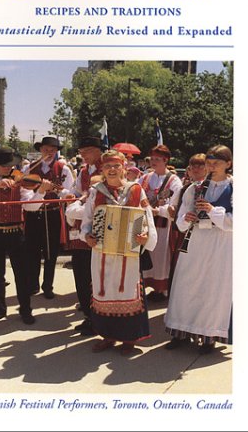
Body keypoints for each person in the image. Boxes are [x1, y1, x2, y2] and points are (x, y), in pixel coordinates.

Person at [80, 150, 157, 355]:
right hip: (102, 252)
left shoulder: (136, 190)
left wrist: (144, 236)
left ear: (124, 167)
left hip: (128, 253)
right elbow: (87, 221)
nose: (112, 170)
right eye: (107, 167)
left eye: (116, 166)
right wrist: (87, 236)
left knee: (127, 291)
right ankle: (108, 336)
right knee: (104, 292)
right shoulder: (96, 191)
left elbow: (146, 219)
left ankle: (129, 339)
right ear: (102, 170)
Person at [164, 145, 233, 354]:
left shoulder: (236, 187)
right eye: (209, 162)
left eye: (217, 163)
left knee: (212, 288)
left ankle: (208, 336)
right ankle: (181, 331)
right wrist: (187, 218)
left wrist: (213, 211)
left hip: (220, 243)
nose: (211, 166)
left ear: (228, 164)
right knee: (186, 284)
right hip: (195, 241)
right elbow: (180, 219)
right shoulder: (195, 188)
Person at [0, 147, 52, 325]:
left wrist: (41, 192)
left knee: (22, 274)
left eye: (10, 166)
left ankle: (25, 310)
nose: (8, 169)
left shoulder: (20, 181)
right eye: (4, 166)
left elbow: (30, 207)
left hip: (15, 233)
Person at [24, 137, 74, 299]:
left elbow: (67, 192)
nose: (49, 153)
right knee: (32, 251)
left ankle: (48, 286)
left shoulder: (63, 169)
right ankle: (32, 285)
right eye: (46, 150)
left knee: (51, 252)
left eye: (53, 150)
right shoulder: (29, 167)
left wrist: (59, 192)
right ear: (40, 150)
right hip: (33, 213)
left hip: (52, 212)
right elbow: (24, 189)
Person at [67, 136, 104, 335]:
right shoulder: (82, 171)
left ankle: (98, 317)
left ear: (98, 150)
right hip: (81, 229)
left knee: (96, 276)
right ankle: (89, 315)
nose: (82, 155)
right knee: (81, 272)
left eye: (87, 150)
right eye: (81, 151)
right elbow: (75, 192)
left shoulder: (107, 169)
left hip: (98, 229)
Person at [139, 145, 182, 301]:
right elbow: (136, 192)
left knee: (161, 255)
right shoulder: (145, 177)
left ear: (165, 160)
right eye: (152, 159)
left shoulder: (174, 180)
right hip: (145, 222)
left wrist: (159, 210)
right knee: (147, 253)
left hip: (163, 224)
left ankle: (161, 290)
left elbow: (176, 203)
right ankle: (145, 286)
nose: (154, 162)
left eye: (158, 159)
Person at [168, 153, 207, 294]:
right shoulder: (186, 188)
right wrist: (183, 217)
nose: (196, 169)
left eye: (200, 165)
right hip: (185, 234)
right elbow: (175, 210)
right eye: (193, 166)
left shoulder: (212, 187)